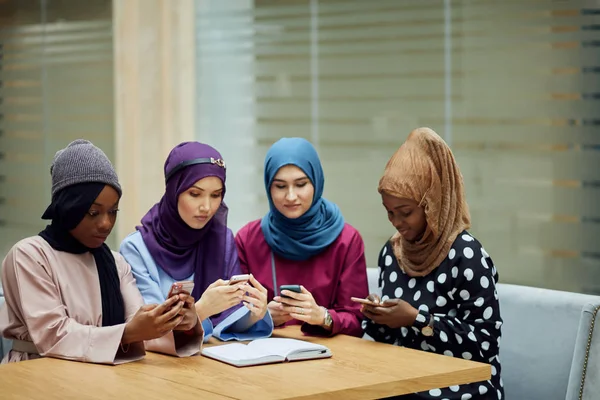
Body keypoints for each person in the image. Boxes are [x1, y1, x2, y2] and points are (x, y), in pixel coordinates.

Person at [0, 139, 202, 364]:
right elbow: (53, 335)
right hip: (36, 372)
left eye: (113, 211)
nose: (106, 223)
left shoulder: (115, 263)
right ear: (68, 208)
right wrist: (128, 333)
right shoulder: (30, 256)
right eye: (93, 213)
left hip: (105, 372)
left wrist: (179, 323)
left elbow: (138, 326)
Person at [362, 128, 504, 399]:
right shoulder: (393, 252)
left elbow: (485, 344)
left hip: (462, 389)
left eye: (406, 212)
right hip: (405, 382)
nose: (396, 222)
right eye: (389, 212)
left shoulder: (466, 255)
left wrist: (417, 319)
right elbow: (390, 341)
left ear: (432, 204)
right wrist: (379, 316)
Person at [120, 142, 273, 348]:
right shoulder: (136, 249)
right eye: (195, 194)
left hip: (216, 367)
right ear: (174, 190)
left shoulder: (222, 240)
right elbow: (150, 332)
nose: (207, 207)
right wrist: (202, 310)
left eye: (216, 195)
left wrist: (256, 312)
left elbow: (230, 320)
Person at [235, 137, 368, 337]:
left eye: (300, 184)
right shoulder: (248, 239)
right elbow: (231, 316)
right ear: (268, 187)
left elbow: (358, 321)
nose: (290, 196)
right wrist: (261, 317)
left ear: (316, 182)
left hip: (331, 360)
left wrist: (322, 316)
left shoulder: (347, 240)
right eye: (280, 186)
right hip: (264, 360)